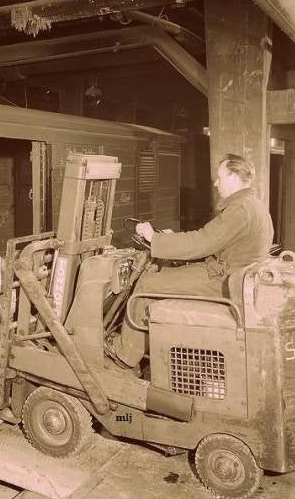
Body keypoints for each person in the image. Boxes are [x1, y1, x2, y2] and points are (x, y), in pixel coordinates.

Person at [111, 153, 274, 367]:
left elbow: (203, 242)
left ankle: (126, 355)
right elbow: (213, 237)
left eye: (220, 177)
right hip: (231, 275)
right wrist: (168, 238)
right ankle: (148, 343)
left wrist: (153, 237)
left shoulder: (239, 209)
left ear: (234, 177)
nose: (216, 184)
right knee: (165, 275)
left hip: (224, 281)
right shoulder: (253, 204)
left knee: (147, 284)